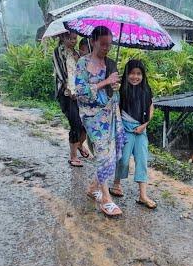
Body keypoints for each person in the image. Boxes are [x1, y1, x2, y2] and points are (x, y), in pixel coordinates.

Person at [74, 26, 126, 217]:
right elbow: (80, 92)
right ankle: (105, 198)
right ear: (93, 41)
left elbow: (113, 91)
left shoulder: (110, 64)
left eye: (109, 45)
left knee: (113, 152)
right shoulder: (82, 63)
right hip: (91, 116)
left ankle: (92, 187)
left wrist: (114, 86)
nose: (106, 48)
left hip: (110, 113)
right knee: (103, 153)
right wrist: (104, 82)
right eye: (103, 44)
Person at [110, 60, 157, 209]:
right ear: (126, 74)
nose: (135, 77)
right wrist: (113, 91)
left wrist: (145, 125)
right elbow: (114, 107)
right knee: (123, 159)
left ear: (143, 75)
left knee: (142, 160)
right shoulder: (121, 90)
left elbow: (151, 108)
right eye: (131, 73)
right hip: (125, 129)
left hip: (141, 130)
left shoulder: (146, 90)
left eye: (138, 74)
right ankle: (116, 184)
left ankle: (142, 195)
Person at [53, 31, 89, 166]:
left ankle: (79, 144)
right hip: (66, 94)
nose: (73, 41)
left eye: (75, 38)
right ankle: (73, 156)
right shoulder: (58, 52)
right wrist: (70, 90)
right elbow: (61, 74)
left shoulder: (76, 53)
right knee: (75, 124)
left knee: (84, 124)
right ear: (62, 37)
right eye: (70, 38)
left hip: (80, 94)